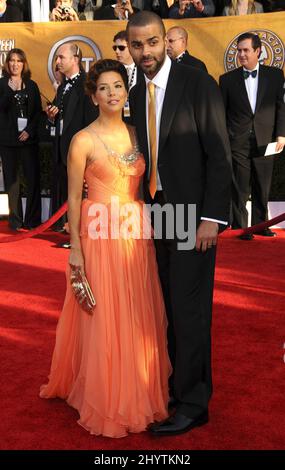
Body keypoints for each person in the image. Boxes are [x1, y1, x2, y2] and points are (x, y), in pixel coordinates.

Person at [40, 59, 170, 438]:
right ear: (93, 95)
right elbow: (74, 202)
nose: (112, 93)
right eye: (104, 88)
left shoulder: (137, 133)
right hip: (99, 237)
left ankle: (139, 386)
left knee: (136, 312)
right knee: (106, 314)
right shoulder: (82, 139)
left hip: (136, 233)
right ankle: (107, 395)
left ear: (125, 91)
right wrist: (75, 250)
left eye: (117, 86)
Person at [127, 11, 231, 435]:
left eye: (152, 43)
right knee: (169, 306)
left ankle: (194, 402)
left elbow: (220, 155)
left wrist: (211, 218)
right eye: (137, 45)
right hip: (159, 213)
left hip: (194, 218)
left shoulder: (197, 83)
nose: (145, 52)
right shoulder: (138, 93)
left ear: (165, 41)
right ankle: (175, 389)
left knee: (189, 310)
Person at [219, 33, 285, 240]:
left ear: (258, 51)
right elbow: (222, 112)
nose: (241, 54)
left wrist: (281, 135)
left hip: (266, 139)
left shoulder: (275, 75)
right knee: (239, 187)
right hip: (237, 141)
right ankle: (241, 228)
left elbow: (280, 108)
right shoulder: (227, 80)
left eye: (246, 50)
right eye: (239, 50)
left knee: (262, 185)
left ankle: (260, 226)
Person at [45, 42, 98, 237]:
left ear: (75, 59)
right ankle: (67, 228)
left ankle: (80, 232)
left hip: (79, 152)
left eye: (61, 57)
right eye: (57, 57)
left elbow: (91, 121)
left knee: (80, 195)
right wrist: (52, 118)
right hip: (61, 150)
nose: (57, 61)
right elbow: (62, 119)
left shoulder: (86, 85)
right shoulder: (63, 86)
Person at [0, 49, 42, 230]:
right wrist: (10, 90)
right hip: (8, 141)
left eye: (18, 60)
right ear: (7, 64)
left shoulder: (31, 85)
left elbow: (37, 113)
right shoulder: (1, 84)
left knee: (32, 180)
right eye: (11, 60)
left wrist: (29, 131)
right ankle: (15, 221)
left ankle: (32, 220)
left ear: (24, 64)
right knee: (12, 183)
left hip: (28, 141)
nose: (15, 64)